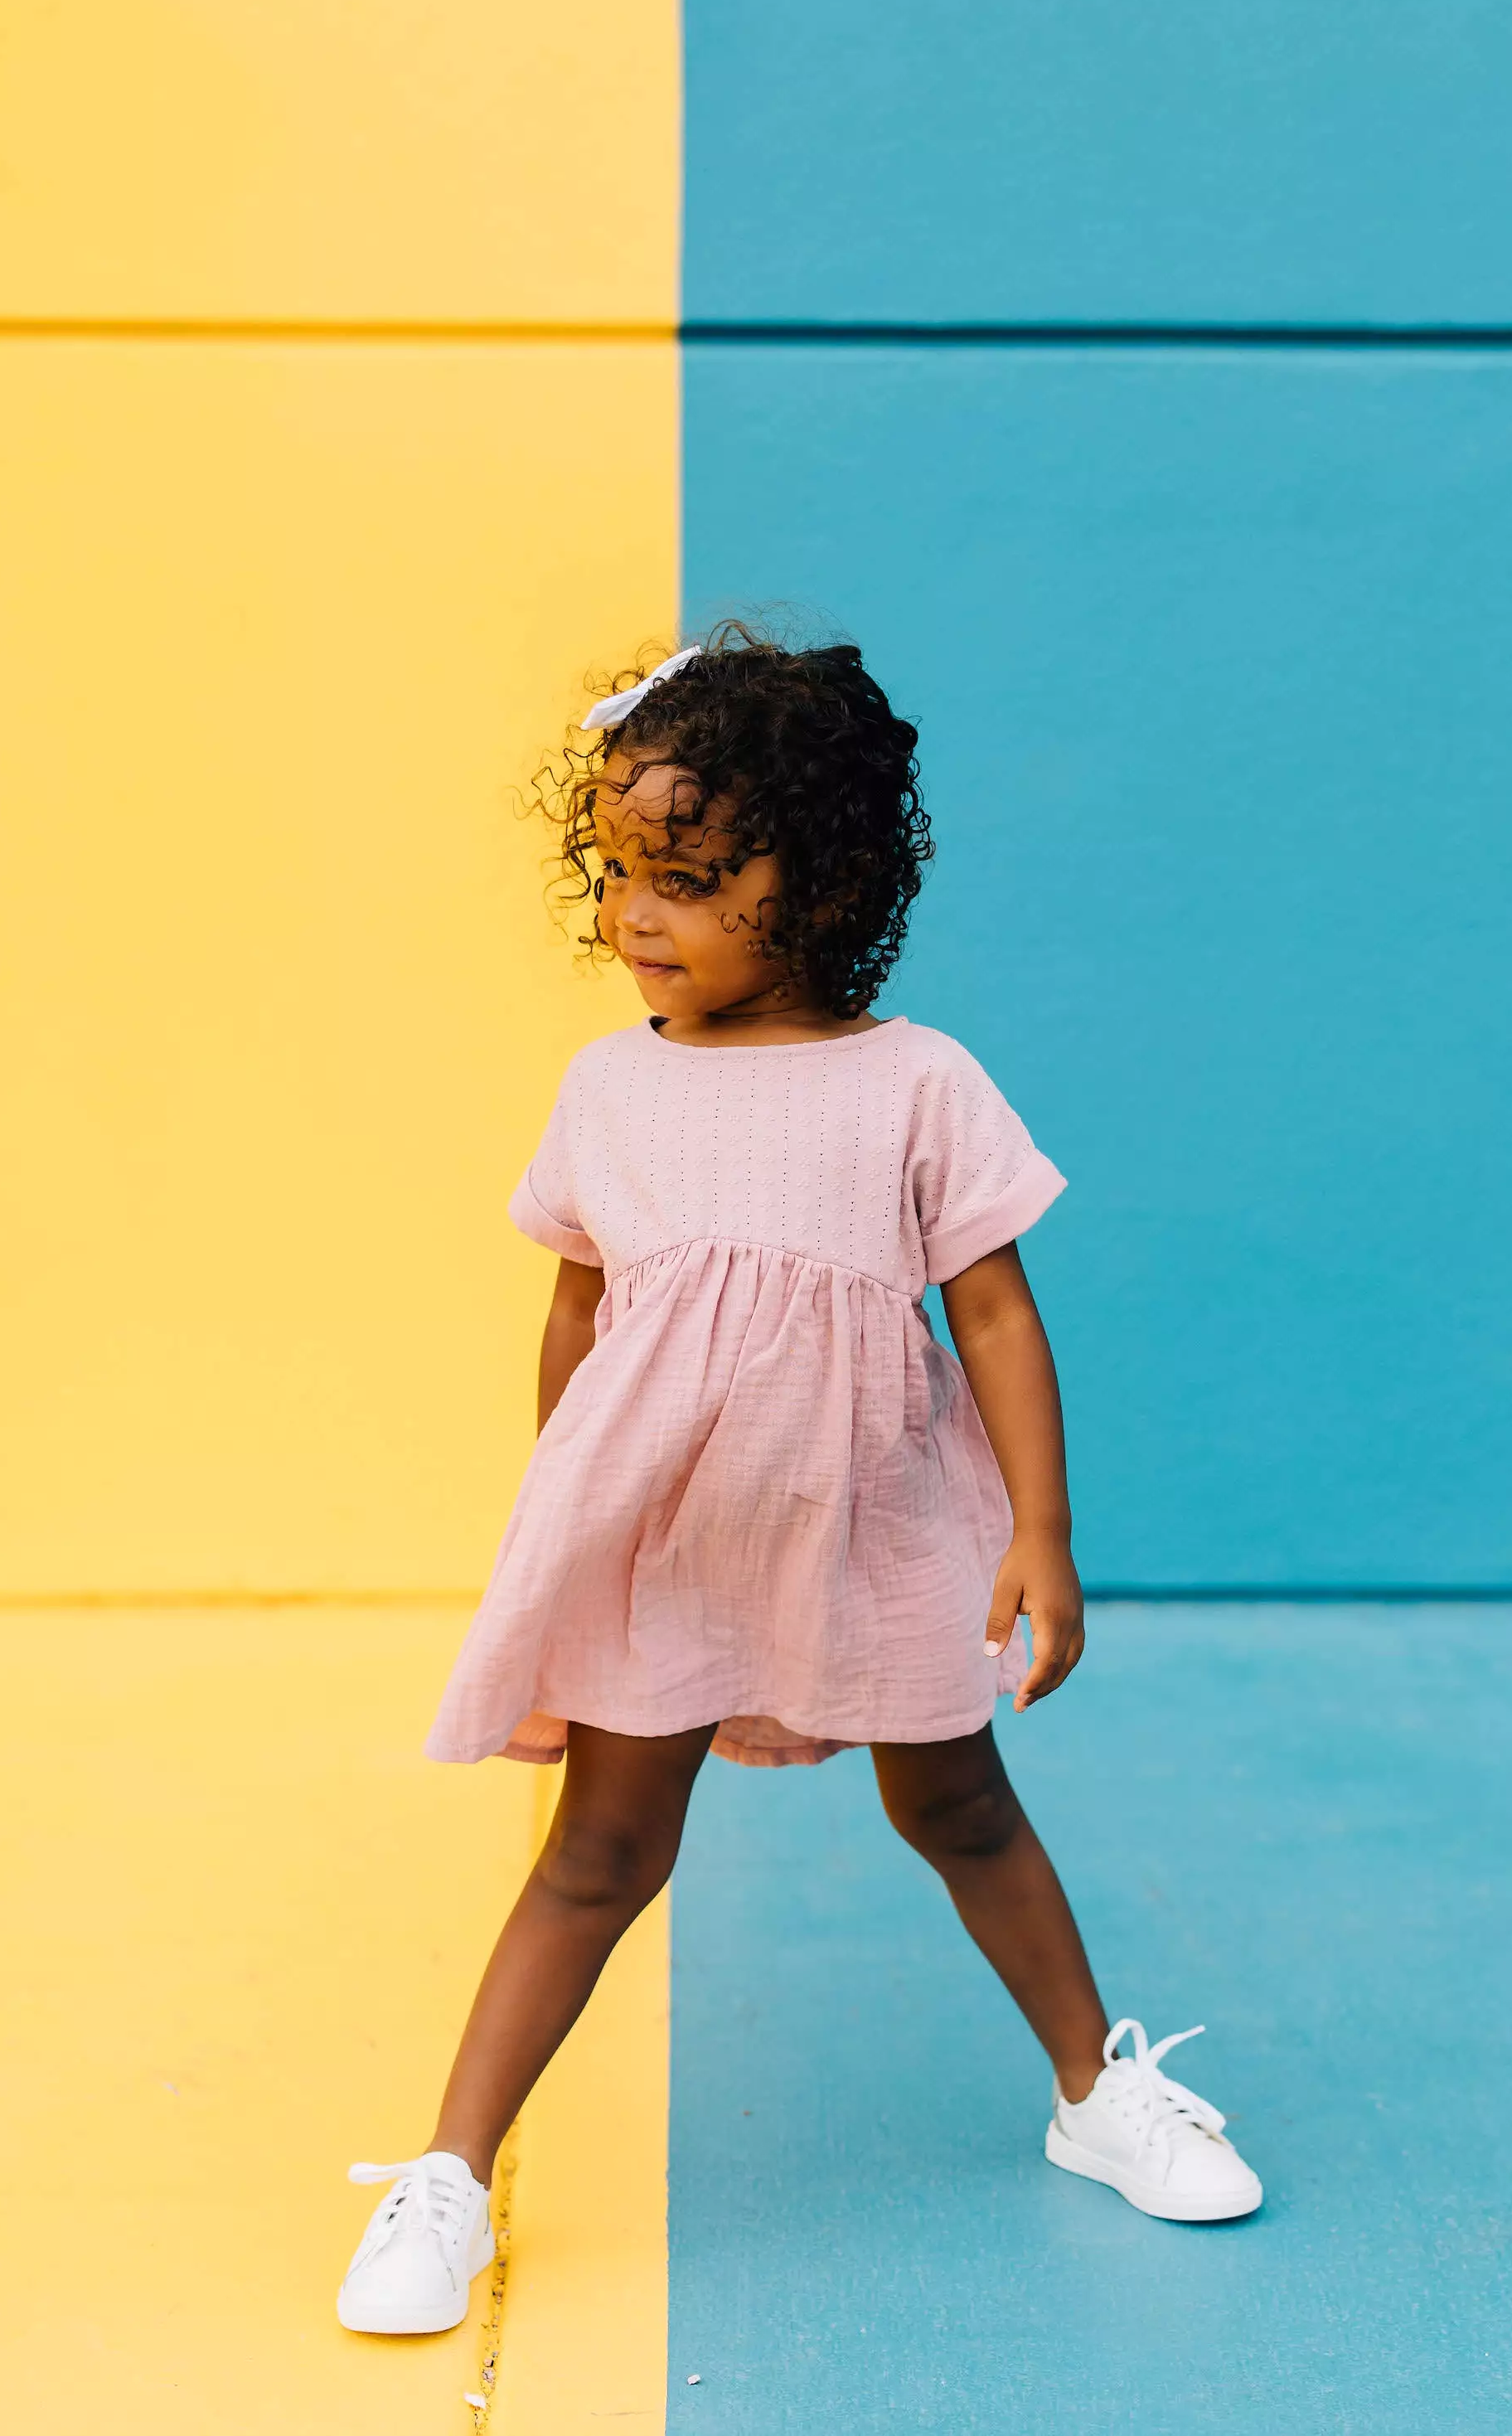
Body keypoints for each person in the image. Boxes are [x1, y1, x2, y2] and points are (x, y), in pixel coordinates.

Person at [337, 628, 1261, 2336]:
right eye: (618, 874)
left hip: (880, 1523)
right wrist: (560, 1528)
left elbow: (990, 1306)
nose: (635, 915)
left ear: (821, 878)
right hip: (663, 1542)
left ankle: (1092, 2088)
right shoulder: (608, 1088)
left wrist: (1038, 1537)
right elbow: (579, 1309)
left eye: (686, 876)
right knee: (598, 1851)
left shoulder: (916, 1080)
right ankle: (448, 2172)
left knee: (958, 1803)